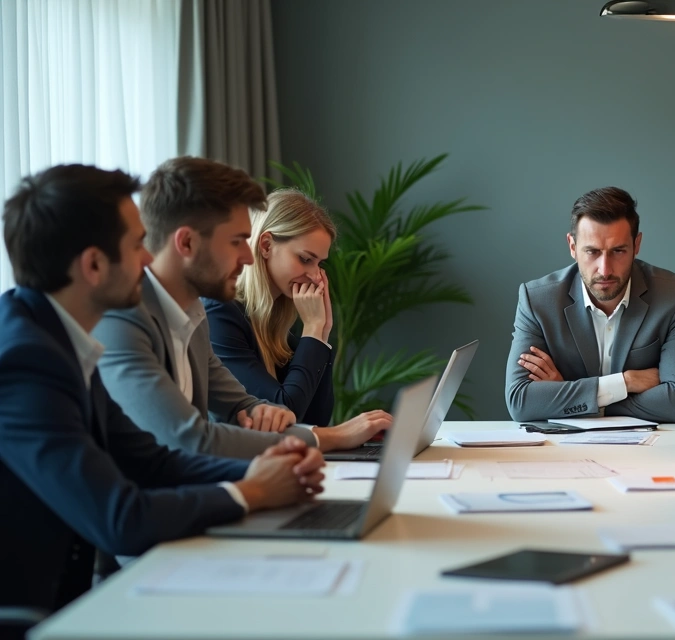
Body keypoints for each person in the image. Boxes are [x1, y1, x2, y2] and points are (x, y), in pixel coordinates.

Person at [0, 164, 325, 612]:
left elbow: (152, 461)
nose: (150, 259)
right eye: (137, 246)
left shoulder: (59, 339)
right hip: (40, 615)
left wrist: (267, 469)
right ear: (94, 264)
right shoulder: (26, 362)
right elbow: (120, 518)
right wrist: (251, 491)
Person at [94, 157, 385, 458]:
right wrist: (329, 439)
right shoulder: (124, 320)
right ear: (187, 243)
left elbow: (248, 409)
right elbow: (191, 440)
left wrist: (277, 416)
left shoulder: (192, 314)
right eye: (237, 241)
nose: (248, 257)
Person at [505, 186, 675, 423]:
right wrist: (626, 382)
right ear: (572, 246)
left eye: (618, 251)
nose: (605, 269)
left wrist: (570, 396)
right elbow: (521, 402)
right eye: (592, 252)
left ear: (636, 245)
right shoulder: (537, 301)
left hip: (652, 453)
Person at [204, 188, 391, 434]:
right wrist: (313, 330)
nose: (315, 276)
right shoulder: (219, 314)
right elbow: (283, 413)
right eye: (305, 259)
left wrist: (322, 333)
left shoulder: (273, 322)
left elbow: (316, 419)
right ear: (266, 245)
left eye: (319, 263)